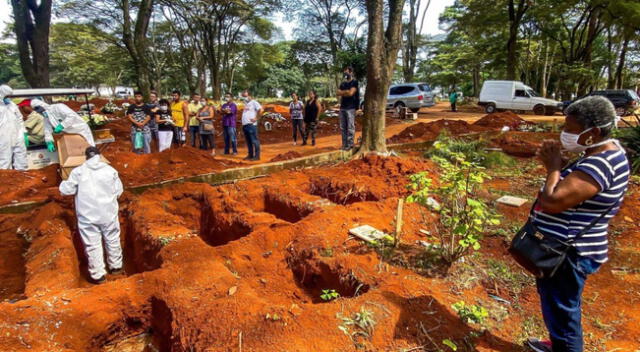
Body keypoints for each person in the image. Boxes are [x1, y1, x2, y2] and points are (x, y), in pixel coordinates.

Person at [525, 96, 630, 352]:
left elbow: (552, 201)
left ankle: (566, 346)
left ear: (592, 132)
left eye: (570, 129)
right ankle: (559, 343)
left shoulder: (600, 163)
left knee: (563, 309)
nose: (564, 134)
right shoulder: (601, 153)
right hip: (564, 249)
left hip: (568, 253)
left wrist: (553, 167)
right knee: (559, 304)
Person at [59, 146, 124, 284]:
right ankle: (116, 267)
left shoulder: (78, 172)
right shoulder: (110, 170)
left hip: (87, 215)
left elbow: (67, 190)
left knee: (92, 244)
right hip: (108, 213)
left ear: (86, 157)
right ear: (99, 156)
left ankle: (98, 275)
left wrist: (62, 183)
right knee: (112, 239)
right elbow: (119, 191)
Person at [31, 98, 95, 151]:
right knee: (77, 149)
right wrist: (49, 142)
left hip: (80, 129)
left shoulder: (59, 107)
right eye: (37, 110)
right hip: (69, 133)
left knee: (89, 147)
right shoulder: (46, 117)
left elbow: (72, 116)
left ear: (42, 105)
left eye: (38, 108)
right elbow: (47, 130)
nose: (39, 112)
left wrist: (62, 125)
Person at [0, 85, 28, 170]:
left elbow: (19, 118)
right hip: (3, 136)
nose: (9, 98)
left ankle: (22, 178)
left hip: (17, 134)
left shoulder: (12, 105)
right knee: (5, 160)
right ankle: (5, 180)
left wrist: (23, 132)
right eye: (7, 96)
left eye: (9, 96)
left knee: (21, 158)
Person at [336, 66, 359, 151]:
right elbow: (338, 92)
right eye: (344, 72)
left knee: (350, 126)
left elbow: (351, 93)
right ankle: (344, 145)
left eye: (347, 72)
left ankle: (350, 144)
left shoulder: (354, 82)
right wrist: (346, 92)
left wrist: (344, 92)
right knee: (343, 127)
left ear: (351, 72)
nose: (345, 73)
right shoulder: (343, 83)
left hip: (351, 107)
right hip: (342, 107)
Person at [241, 90, 262, 161]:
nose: (244, 97)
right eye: (243, 96)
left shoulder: (254, 102)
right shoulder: (246, 104)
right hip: (245, 125)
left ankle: (257, 156)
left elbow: (260, 110)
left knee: (254, 141)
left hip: (251, 125)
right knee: (248, 141)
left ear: (249, 96)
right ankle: (250, 155)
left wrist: (256, 118)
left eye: (245, 96)